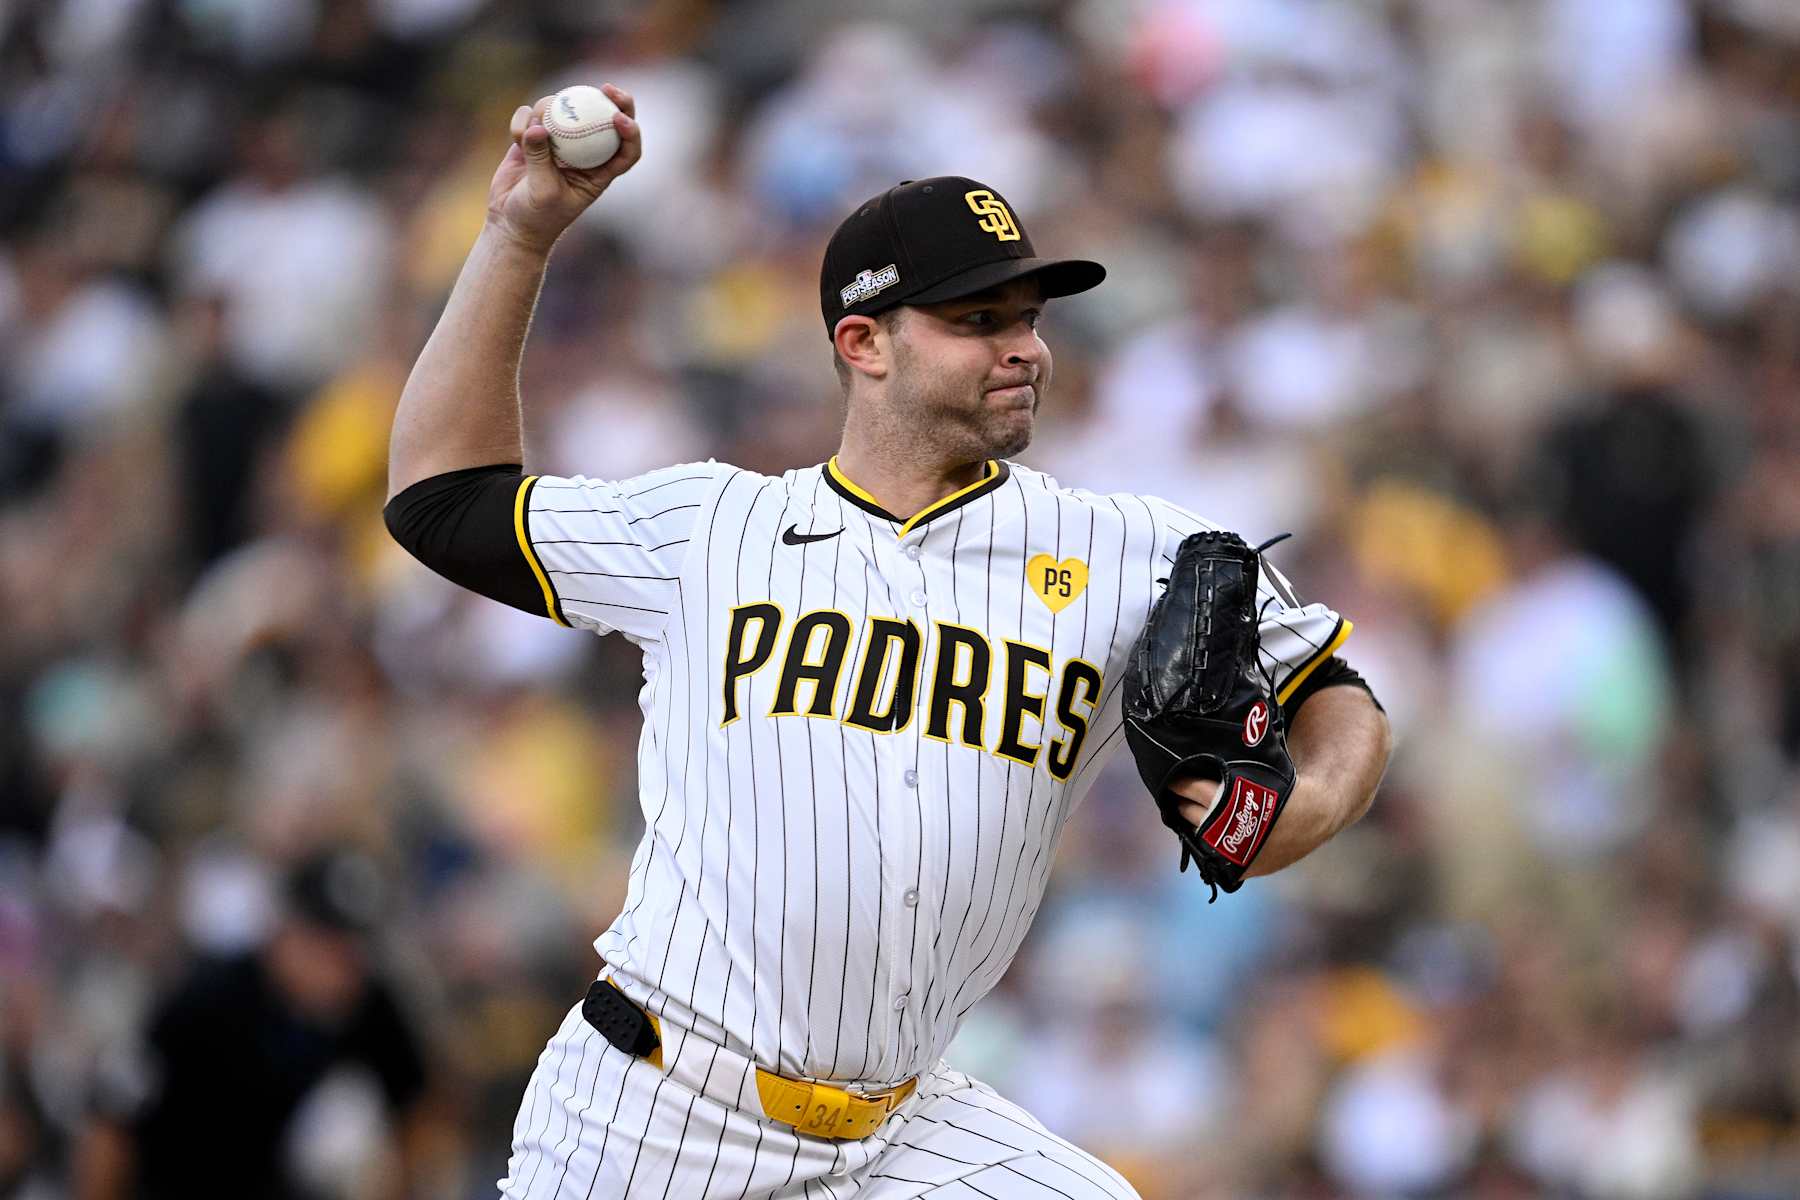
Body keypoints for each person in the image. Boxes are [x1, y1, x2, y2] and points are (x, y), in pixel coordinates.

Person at [384, 87, 1391, 1199]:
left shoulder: (1130, 553)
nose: (1023, 350)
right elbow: (439, 497)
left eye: (1029, 318)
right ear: (862, 342)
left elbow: (1336, 690)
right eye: (978, 322)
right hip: (656, 1112)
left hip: (900, 1133)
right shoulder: (710, 528)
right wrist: (518, 235)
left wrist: (1305, 808)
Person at [76, 850, 432, 1200]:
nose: (341, 969)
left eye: (353, 951)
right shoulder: (205, 1000)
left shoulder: (367, 1004)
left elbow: (421, 1107)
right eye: (326, 947)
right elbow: (111, 1123)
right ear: (287, 931)